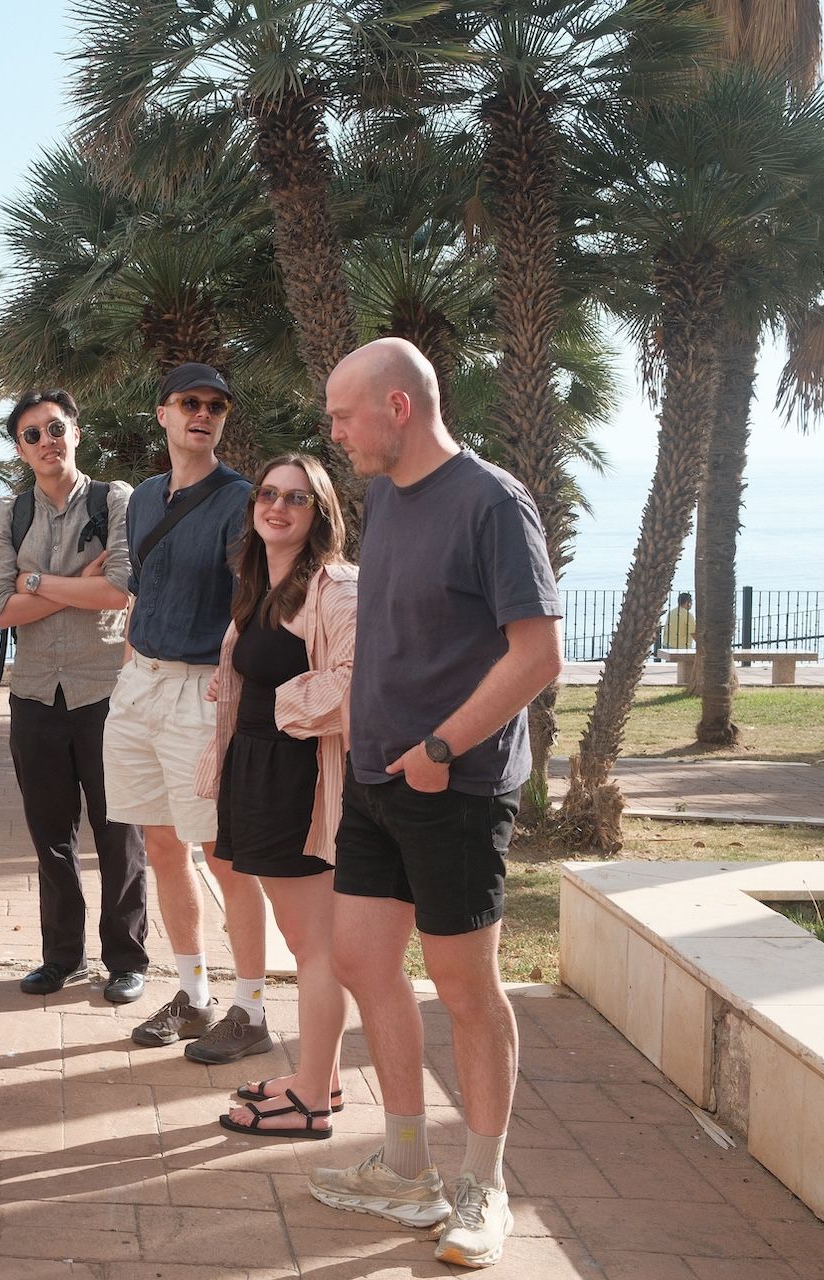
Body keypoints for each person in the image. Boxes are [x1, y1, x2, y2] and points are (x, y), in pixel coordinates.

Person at [308, 338, 562, 1270]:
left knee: (464, 989)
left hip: (452, 788)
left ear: (398, 407)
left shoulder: (492, 503)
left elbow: (536, 656)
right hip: (377, 780)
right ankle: (407, 1164)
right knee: (362, 960)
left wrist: (442, 747)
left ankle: (484, 1186)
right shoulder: (389, 494)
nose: (334, 433)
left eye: (344, 416)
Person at [191, 454, 358, 1124]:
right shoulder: (262, 583)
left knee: (315, 945)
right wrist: (234, 681)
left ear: (321, 515)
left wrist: (282, 703)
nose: (278, 507)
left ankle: (311, 1100)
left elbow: (359, 680)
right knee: (306, 939)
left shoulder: (337, 587)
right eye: (268, 494)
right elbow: (256, 666)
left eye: (297, 498)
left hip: (298, 781)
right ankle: (324, 1079)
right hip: (255, 771)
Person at [103, 363, 253, 1050]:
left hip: (202, 688)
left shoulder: (240, 500)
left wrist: (231, 683)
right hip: (141, 685)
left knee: (224, 853)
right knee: (161, 845)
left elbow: (253, 605)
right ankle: (193, 993)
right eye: (190, 402)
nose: (204, 412)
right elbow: (141, 587)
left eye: (216, 405)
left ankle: (249, 1009)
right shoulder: (143, 500)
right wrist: (132, 660)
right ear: (162, 413)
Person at [0, 389, 147, 1003]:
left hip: (106, 690)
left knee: (117, 832)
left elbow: (120, 589)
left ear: (76, 431)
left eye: (55, 428)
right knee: (50, 834)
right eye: (32, 434)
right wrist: (78, 580)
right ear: (21, 450)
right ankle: (61, 957)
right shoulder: (8, 515)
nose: (46, 441)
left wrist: (38, 584)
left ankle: (127, 958)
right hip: (33, 695)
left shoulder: (116, 500)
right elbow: (0, 607)